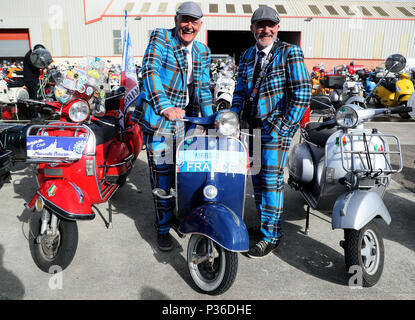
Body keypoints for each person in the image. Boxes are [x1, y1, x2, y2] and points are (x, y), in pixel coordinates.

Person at [231, 6, 311, 258]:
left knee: (271, 183)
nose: (265, 30)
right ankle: (266, 225)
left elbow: (303, 93)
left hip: (275, 129)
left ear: (277, 28)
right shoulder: (245, 55)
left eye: (270, 25)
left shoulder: (290, 52)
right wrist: (232, 116)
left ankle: (271, 236)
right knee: (256, 180)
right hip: (250, 127)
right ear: (252, 28)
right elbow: (240, 91)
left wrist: (283, 128)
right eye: (260, 25)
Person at [134, 1, 213, 251]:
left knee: (188, 174)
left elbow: (202, 89)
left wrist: (212, 121)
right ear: (176, 19)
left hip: (187, 122)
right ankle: (162, 229)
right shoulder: (161, 38)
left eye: (194, 21)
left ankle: (181, 217)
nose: (189, 25)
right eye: (185, 20)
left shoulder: (203, 50)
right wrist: (165, 106)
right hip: (161, 120)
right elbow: (150, 71)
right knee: (163, 178)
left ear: (200, 24)